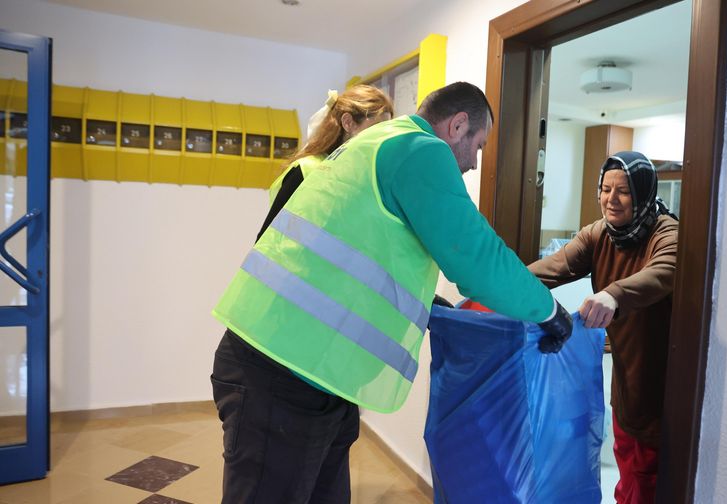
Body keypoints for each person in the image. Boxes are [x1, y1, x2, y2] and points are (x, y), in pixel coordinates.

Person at [210, 81, 574, 503]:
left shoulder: (379, 142)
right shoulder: (420, 149)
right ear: (457, 125)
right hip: (281, 373)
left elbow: (368, 251)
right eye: (478, 145)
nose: (475, 163)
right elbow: (476, 256)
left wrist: (424, 303)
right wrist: (548, 311)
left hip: (311, 370)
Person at [528, 151, 678, 504]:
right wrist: (495, 289)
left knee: (649, 479)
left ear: (642, 193)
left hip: (661, 381)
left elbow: (666, 269)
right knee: (628, 472)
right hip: (626, 377)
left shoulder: (666, 232)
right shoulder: (600, 234)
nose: (612, 199)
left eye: (623, 191)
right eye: (605, 188)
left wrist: (613, 295)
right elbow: (552, 267)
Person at [260, 85, 394, 239]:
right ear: (348, 122)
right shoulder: (306, 170)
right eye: (374, 131)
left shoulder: (362, 178)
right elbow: (267, 239)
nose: (379, 141)